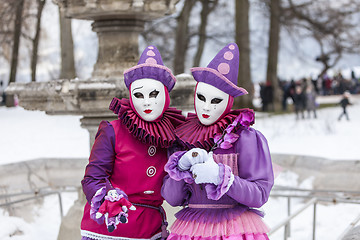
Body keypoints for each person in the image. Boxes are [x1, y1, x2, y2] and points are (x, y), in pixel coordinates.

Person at [161, 43, 274, 240]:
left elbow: (259, 195)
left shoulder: (246, 137)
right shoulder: (183, 136)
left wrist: (223, 178)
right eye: (201, 98)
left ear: (228, 101)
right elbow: (172, 199)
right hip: (191, 231)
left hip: (234, 230)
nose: (206, 107)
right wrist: (180, 168)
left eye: (215, 101)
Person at [80, 46, 185, 240]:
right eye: (139, 95)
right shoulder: (112, 130)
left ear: (166, 95)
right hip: (108, 230)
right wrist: (107, 197)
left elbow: (175, 196)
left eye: (154, 94)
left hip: (150, 230)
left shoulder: (173, 136)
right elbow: (92, 179)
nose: (146, 102)